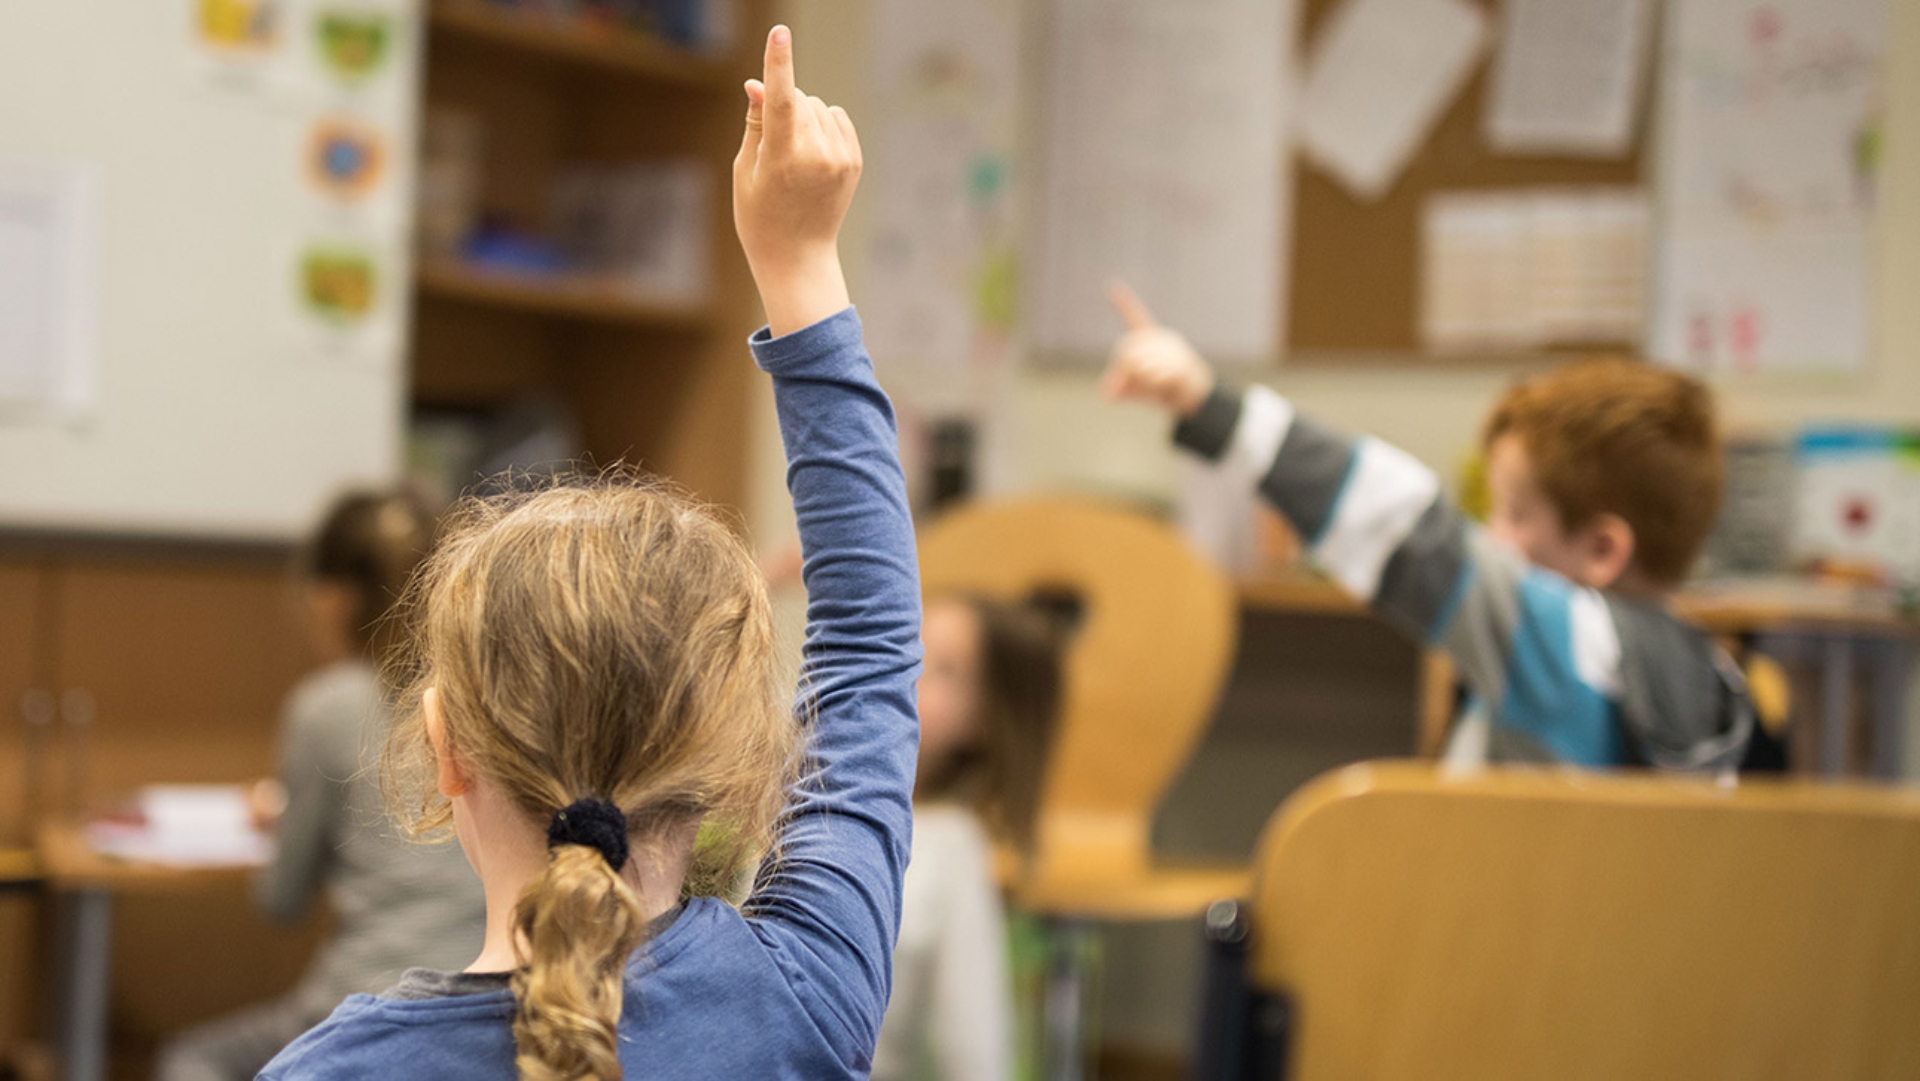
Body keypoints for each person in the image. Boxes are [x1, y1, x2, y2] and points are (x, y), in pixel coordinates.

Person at [261, 25, 921, 1080]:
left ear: (442, 745)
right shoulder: (803, 993)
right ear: (729, 757)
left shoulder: (328, 1072)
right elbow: (870, 646)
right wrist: (800, 268)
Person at [1102, 285, 1752, 771]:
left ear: (1603, 549)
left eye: (1516, 516)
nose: (1493, 536)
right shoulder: (1714, 679)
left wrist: (1207, 404)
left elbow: (1404, 525)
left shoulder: (1561, 639)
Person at [156, 490, 486, 1081]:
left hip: (374, 1001)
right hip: (496, 1000)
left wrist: (292, 820)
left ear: (333, 598)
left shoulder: (330, 706)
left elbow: (281, 902)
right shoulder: (488, 695)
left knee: (193, 1058)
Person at [874, 595, 1062, 1081]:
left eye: (946, 670)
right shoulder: (793, 790)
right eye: (908, 645)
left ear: (983, 721)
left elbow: (976, 1050)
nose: (909, 669)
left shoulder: (951, 848)